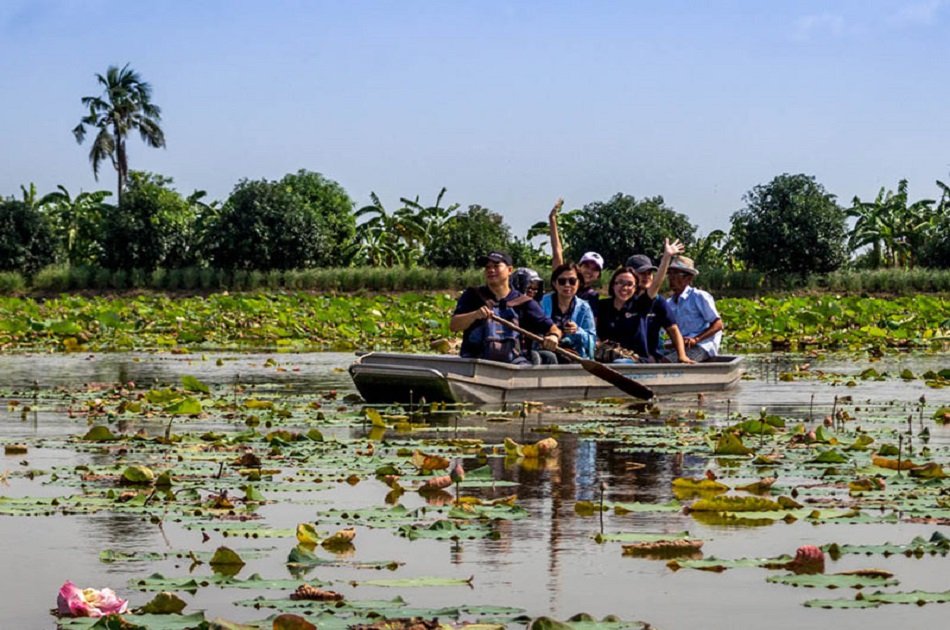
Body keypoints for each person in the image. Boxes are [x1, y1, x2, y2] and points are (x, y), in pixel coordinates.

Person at [450, 251, 561, 365]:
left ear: (509, 270)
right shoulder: (472, 295)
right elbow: (454, 325)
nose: (491, 270)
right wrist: (474, 315)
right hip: (475, 362)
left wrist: (554, 336)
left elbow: (553, 329)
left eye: (496, 266)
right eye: (487, 267)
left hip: (515, 364)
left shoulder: (525, 302)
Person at [624, 240, 693, 363]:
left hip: (650, 355)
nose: (647, 277)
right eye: (642, 273)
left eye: (649, 273)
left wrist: (682, 356)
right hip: (625, 355)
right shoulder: (622, 299)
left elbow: (673, 330)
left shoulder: (658, 301)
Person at [664, 255, 723, 362]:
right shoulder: (669, 303)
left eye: (676, 273)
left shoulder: (699, 297)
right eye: (670, 273)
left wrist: (696, 339)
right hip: (682, 346)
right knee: (652, 357)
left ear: (689, 278)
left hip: (702, 345)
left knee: (666, 361)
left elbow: (718, 324)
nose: (671, 277)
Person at [548, 198, 603, 303]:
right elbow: (557, 253)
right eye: (586, 266)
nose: (589, 271)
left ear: (598, 276)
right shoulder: (563, 283)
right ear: (579, 267)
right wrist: (552, 220)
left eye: (595, 269)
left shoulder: (592, 297)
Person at [540, 263, 597, 361]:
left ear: (578, 283)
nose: (567, 285)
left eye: (572, 281)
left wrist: (577, 331)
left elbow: (592, 341)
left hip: (575, 356)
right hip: (546, 353)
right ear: (554, 283)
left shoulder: (584, 308)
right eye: (562, 281)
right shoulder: (542, 303)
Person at [593, 267, 641, 362]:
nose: (624, 288)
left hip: (631, 358)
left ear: (635, 288)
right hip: (603, 356)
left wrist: (666, 257)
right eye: (620, 283)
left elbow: (655, 286)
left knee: (619, 363)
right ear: (613, 285)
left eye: (629, 284)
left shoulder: (641, 306)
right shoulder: (602, 305)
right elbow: (592, 331)